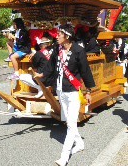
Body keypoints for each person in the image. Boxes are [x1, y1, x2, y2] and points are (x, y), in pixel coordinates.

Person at [36, 24, 95, 166]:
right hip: (61, 90)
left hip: (73, 91)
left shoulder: (78, 51)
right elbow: (51, 65)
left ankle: (64, 157)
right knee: (69, 121)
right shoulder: (57, 49)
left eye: (59, 34)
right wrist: (42, 74)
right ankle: (80, 143)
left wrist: (88, 91)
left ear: (67, 36)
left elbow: (85, 71)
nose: (57, 36)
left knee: (71, 124)